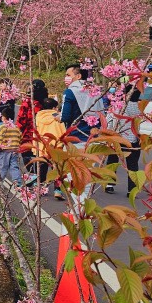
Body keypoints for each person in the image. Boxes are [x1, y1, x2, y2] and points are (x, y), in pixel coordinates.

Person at [59, 65, 105, 204]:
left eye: (68, 74)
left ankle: (80, 210)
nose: (66, 78)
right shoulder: (95, 91)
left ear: (78, 76)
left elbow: (65, 116)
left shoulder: (70, 92)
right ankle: (85, 209)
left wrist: (59, 117)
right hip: (93, 139)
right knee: (87, 176)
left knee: (72, 176)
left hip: (75, 139)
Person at [105, 85, 142, 195]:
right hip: (133, 141)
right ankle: (132, 190)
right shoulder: (140, 108)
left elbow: (109, 121)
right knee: (133, 166)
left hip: (117, 138)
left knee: (112, 161)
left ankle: (109, 184)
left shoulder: (118, 106)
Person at [34, 97, 67, 199]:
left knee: (42, 169)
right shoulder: (57, 116)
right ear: (54, 108)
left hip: (42, 146)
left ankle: (41, 189)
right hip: (55, 146)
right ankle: (57, 190)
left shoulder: (38, 116)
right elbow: (63, 130)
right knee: (56, 169)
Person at [17, 79, 48, 176]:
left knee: (27, 157)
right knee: (41, 159)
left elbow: (21, 121)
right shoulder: (46, 103)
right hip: (42, 136)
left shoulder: (27, 104)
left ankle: (32, 178)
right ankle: (41, 181)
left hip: (28, 136)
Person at [0, 105, 28, 186]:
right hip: (14, 151)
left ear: (4, 117)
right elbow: (20, 138)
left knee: (3, 167)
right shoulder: (16, 127)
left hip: (4, 151)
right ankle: (17, 182)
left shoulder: (2, 127)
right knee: (14, 167)